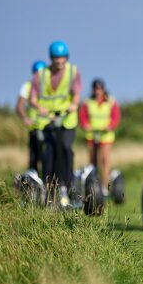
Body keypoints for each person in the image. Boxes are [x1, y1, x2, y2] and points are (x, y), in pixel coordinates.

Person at [29, 41, 81, 207]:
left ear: (66, 58)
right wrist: (40, 108)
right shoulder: (41, 75)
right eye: (56, 59)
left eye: (62, 59)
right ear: (51, 59)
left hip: (66, 119)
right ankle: (49, 188)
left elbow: (77, 93)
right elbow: (33, 98)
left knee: (65, 148)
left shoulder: (73, 72)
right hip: (48, 121)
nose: (59, 62)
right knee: (49, 154)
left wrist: (74, 105)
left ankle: (68, 185)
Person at [79, 78, 121, 198]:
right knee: (92, 161)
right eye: (96, 89)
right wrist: (85, 125)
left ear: (103, 89)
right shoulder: (87, 102)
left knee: (105, 160)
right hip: (92, 134)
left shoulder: (111, 101)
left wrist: (111, 126)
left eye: (100, 89)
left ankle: (105, 187)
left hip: (105, 135)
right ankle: (92, 185)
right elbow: (82, 116)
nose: (98, 91)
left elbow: (116, 116)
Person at [15, 60, 47, 173]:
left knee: (49, 159)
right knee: (34, 158)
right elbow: (19, 106)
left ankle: (51, 185)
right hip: (34, 127)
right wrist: (25, 118)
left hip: (49, 126)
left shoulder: (51, 86)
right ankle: (32, 185)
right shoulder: (27, 86)